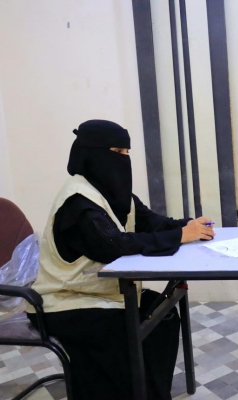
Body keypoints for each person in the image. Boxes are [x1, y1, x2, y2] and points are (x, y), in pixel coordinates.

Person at [26, 120, 215, 400]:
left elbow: (150, 221)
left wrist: (189, 226)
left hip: (100, 295)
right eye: (116, 152)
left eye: (126, 153)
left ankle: (151, 393)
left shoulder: (112, 193)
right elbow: (113, 246)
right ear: (92, 154)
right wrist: (179, 236)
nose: (123, 160)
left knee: (163, 316)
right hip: (64, 302)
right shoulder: (78, 202)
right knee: (123, 330)